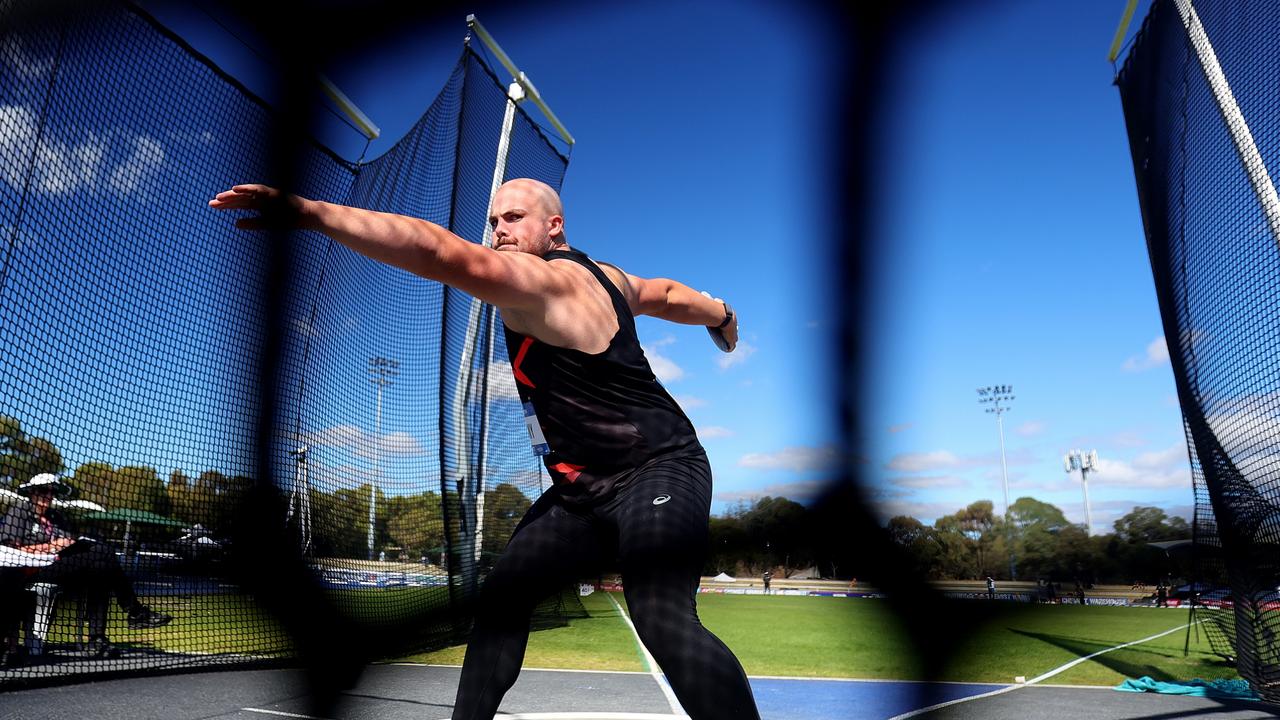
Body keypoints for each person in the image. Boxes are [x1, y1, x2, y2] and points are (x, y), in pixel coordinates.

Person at [210, 178, 758, 720]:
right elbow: (664, 294)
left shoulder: (543, 281)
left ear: (554, 226)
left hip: (658, 469)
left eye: (513, 218)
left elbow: (442, 252)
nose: (498, 231)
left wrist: (311, 213)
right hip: (582, 492)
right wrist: (722, 316)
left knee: (662, 617)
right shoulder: (609, 277)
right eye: (493, 222)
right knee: (501, 604)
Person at [0, 474, 172, 656]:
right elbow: (10, 548)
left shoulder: (56, 517)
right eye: (44, 490)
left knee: (101, 562)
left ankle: (97, 640)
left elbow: (68, 541)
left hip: (60, 567)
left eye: (52, 492)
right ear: (32, 492)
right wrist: (49, 547)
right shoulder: (20, 511)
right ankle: (135, 613)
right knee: (101, 554)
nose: (48, 496)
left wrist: (67, 544)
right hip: (29, 570)